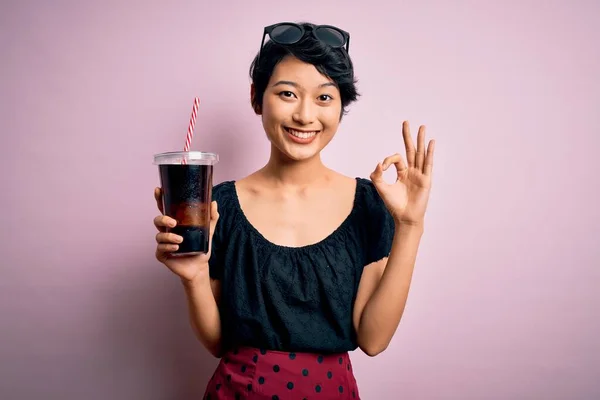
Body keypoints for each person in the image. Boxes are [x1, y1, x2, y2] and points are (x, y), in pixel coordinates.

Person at [153, 21, 435, 400]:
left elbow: (374, 339)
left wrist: (410, 224)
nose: (305, 115)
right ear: (257, 97)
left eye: (324, 98)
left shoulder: (368, 204)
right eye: (287, 93)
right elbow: (218, 342)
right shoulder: (219, 206)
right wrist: (193, 276)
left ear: (341, 107)